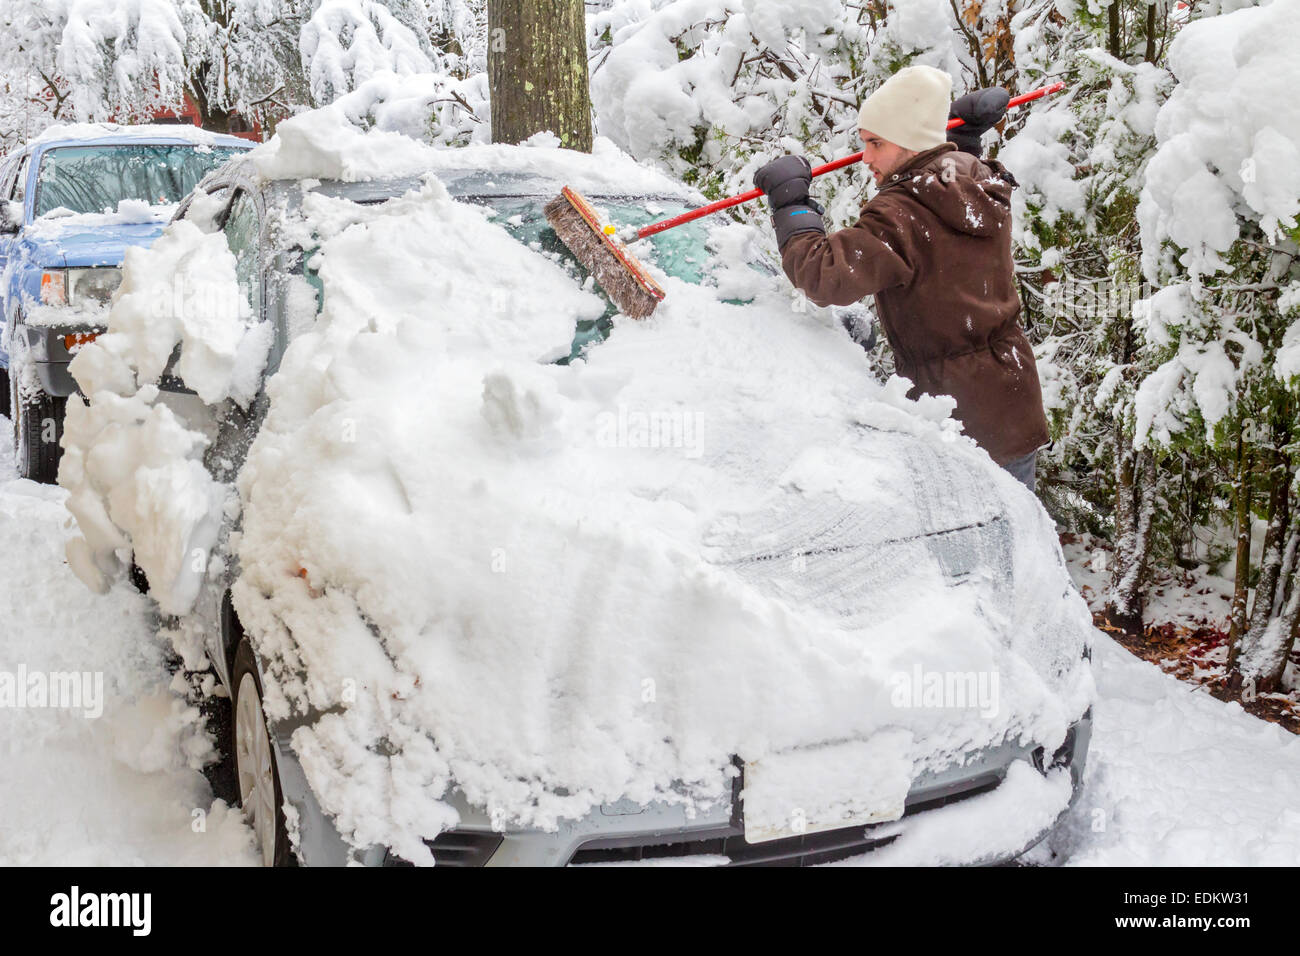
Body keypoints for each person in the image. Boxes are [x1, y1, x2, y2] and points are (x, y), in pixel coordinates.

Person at [753, 65, 1048, 493]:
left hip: (960, 421)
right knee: (1015, 549)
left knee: (966, 555)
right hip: (1011, 402)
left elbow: (822, 276)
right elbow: (949, 188)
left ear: (911, 142)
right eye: (863, 143)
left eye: (876, 143)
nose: (867, 158)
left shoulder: (902, 212)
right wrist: (964, 141)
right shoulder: (975, 178)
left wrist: (792, 206)